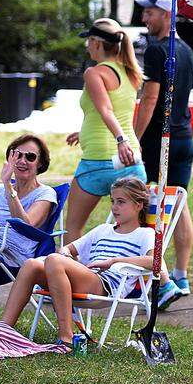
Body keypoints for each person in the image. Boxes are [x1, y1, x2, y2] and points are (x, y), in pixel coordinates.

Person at [0, 177, 155, 350]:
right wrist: (65, 253)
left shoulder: (144, 234)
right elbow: (68, 249)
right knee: (32, 264)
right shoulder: (103, 229)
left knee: (54, 260)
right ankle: (3, 330)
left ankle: (66, 337)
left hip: (105, 285)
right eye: (113, 201)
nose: (114, 207)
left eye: (121, 202)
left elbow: (155, 262)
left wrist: (114, 261)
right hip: (84, 278)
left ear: (138, 205)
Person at [134, 0, 193, 308]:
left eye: (151, 13)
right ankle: (181, 275)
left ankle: (158, 279)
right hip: (186, 137)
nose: (145, 18)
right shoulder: (186, 50)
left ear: (167, 16)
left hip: (162, 140)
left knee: (145, 205)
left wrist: (134, 138)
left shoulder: (158, 50)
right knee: (181, 202)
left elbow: (150, 99)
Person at [64, 18, 146, 245]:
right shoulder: (130, 72)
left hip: (99, 161)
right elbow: (118, 111)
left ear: (97, 43)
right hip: (131, 160)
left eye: (89, 42)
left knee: (72, 228)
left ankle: (74, 276)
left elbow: (106, 109)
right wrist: (85, 133)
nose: (87, 47)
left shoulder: (94, 73)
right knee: (138, 230)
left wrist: (120, 140)